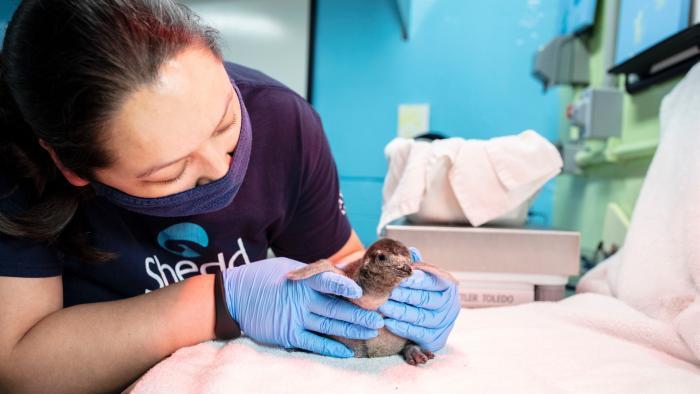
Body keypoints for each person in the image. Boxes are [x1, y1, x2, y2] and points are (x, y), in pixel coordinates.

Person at [0, 1, 460, 392]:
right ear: (70, 165)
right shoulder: (17, 166)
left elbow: (342, 262)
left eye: (225, 124)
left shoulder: (283, 121)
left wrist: (394, 300)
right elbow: (16, 367)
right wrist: (215, 303)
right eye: (169, 172)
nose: (223, 171)